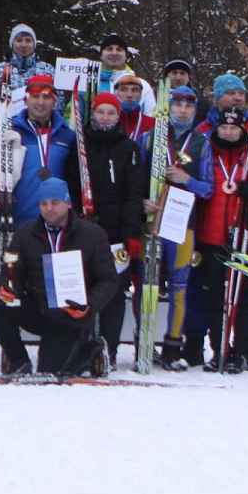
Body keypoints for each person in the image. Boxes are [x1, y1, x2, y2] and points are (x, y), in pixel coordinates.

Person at [0, 177, 121, 378]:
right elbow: (13, 271)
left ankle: (89, 351)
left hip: (72, 315)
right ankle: (19, 362)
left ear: (68, 203)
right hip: (39, 308)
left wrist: (89, 305)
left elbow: (109, 280)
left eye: (55, 203)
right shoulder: (25, 234)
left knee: (50, 372)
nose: (49, 208)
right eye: (43, 203)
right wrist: (7, 288)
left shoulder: (93, 235)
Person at [189, 108, 248, 371]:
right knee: (215, 296)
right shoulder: (207, 153)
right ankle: (220, 349)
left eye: (234, 128)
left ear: (242, 130)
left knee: (245, 295)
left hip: (245, 235)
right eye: (224, 128)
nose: (228, 132)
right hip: (211, 237)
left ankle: (242, 350)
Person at [150, 85, 214, 369]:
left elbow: (209, 189)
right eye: (178, 104)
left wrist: (187, 180)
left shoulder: (201, 143)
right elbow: (135, 177)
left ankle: (173, 345)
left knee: (178, 285)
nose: (183, 110)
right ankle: (144, 339)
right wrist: (143, 201)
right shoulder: (150, 137)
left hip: (181, 221)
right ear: (169, 107)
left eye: (189, 105)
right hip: (151, 221)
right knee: (147, 282)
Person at [83, 92, 147, 364]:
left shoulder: (128, 148)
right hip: (86, 230)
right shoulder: (82, 144)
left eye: (111, 112)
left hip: (117, 232)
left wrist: (132, 232)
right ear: (93, 114)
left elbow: (135, 193)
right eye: (101, 112)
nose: (106, 117)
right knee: (84, 288)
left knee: (114, 290)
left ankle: (108, 348)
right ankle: (83, 344)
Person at [9, 75, 80, 227]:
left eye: (46, 97)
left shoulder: (67, 135)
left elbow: (74, 178)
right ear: (25, 99)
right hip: (20, 217)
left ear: (54, 100)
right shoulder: (11, 132)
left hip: (57, 219)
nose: (41, 102)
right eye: (35, 96)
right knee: (17, 251)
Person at [0, 23, 51, 113]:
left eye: (28, 41)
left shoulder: (47, 70)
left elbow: (57, 100)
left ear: (34, 44)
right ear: (12, 44)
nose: (24, 45)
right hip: (7, 124)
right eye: (19, 40)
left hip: (38, 124)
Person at [112, 73, 154, 143]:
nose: (129, 95)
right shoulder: (107, 122)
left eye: (134, 90)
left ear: (141, 94)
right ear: (116, 93)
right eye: (124, 89)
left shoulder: (152, 124)